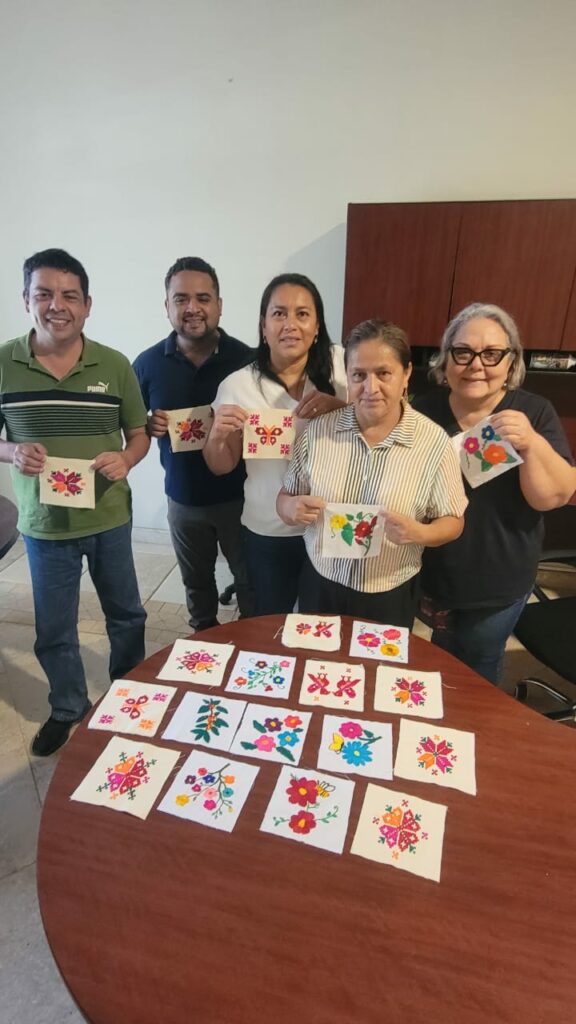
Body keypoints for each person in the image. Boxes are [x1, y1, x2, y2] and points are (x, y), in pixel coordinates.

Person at [0, 249, 150, 756]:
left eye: (69, 295)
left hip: (109, 517)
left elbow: (138, 434)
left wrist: (126, 459)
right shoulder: (4, 363)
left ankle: (129, 696)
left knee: (126, 615)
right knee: (54, 628)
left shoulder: (115, 364)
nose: (56, 306)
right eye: (43, 294)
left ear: (87, 305)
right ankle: (67, 706)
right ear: (26, 300)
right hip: (45, 525)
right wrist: (12, 450)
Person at [413, 302, 576, 683]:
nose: (476, 365)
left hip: (498, 579)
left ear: (511, 360)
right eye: (463, 352)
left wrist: (531, 443)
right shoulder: (424, 410)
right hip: (434, 572)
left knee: (479, 668)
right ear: (446, 358)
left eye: (491, 354)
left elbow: (552, 496)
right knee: (440, 658)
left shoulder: (534, 412)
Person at [277, 319, 467, 626]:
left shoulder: (433, 443)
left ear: (406, 374)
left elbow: (454, 520)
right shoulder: (318, 431)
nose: (370, 388)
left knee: (378, 659)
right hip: (322, 582)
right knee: (315, 655)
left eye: (383, 373)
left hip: (389, 591)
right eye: (359, 375)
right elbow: (285, 497)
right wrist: (290, 508)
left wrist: (419, 533)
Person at [204, 273, 348, 614]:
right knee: (268, 623)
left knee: (324, 625)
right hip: (268, 528)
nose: (290, 325)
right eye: (279, 313)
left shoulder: (343, 370)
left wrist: (342, 408)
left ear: (317, 327)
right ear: (264, 326)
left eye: (302, 314)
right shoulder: (238, 385)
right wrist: (218, 435)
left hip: (331, 525)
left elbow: (380, 423)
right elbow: (221, 465)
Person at [133, 257, 254, 630]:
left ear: (219, 304)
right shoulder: (147, 365)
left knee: (252, 586)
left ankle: (253, 648)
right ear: (167, 306)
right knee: (198, 591)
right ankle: (203, 649)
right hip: (183, 500)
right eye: (181, 298)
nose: (192, 308)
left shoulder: (248, 361)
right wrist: (147, 426)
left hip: (243, 499)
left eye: (203, 298)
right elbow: (132, 428)